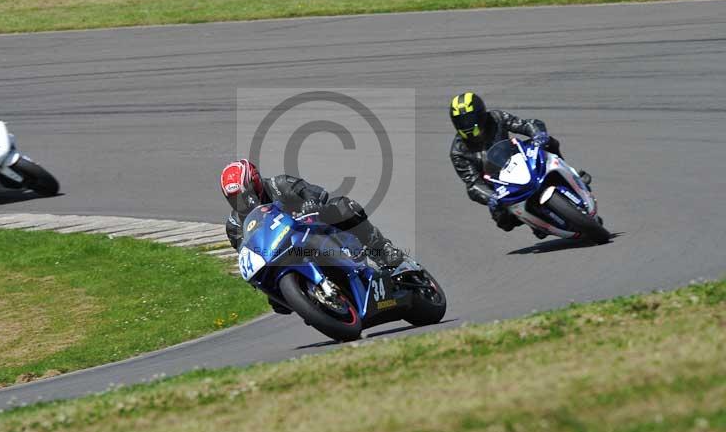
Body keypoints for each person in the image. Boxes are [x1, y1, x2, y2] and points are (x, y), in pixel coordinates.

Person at [449, 91, 591, 238]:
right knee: (504, 221)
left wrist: (538, 135)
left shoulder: (496, 117)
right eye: (461, 121)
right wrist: (492, 197)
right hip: (499, 184)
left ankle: (570, 176)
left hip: (519, 160)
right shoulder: (458, 152)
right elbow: (472, 184)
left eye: (469, 119)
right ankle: (535, 222)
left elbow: (524, 124)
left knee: (549, 143)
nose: (466, 124)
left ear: (481, 114)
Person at [220, 159, 405, 271]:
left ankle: (381, 249)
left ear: (256, 184)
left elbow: (315, 193)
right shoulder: (235, 225)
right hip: (282, 256)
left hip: (314, 230)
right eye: (234, 199)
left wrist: (310, 202)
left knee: (343, 206)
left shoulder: (280, 184)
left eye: (246, 196)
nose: (243, 203)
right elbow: (245, 254)